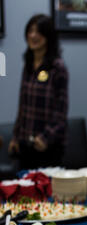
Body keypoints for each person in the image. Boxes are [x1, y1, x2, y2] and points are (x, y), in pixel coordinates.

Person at [9, 14, 69, 170]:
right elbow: (23, 105)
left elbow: (61, 112)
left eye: (38, 32)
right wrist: (15, 136)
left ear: (48, 36)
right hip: (25, 145)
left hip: (47, 146)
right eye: (30, 31)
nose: (33, 35)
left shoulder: (57, 67)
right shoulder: (28, 65)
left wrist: (45, 137)